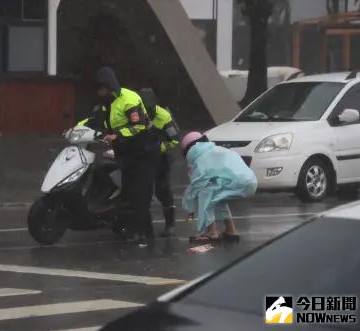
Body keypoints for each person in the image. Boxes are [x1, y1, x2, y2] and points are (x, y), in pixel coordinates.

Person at [94, 67, 159, 248]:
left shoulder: (129, 99)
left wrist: (117, 136)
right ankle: (132, 230)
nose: (100, 93)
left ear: (110, 86)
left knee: (141, 195)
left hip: (143, 152)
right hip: (126, 154)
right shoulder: (107, 104)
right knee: (128, 193)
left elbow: (138, 126)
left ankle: (146, 235)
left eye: (102, 89)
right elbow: (95, 120)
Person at [180, 132, 257, 244]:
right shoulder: (217, 150)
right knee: (217, 194)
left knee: (205, 192)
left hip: (236, 183)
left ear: (190, 149)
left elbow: (197, 185)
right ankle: (231, 230)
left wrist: (189, 206)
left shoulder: (202, 157)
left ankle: (211, 232)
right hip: (250, 182)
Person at [140, 88, 180, 237]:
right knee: (143, 192)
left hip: (160, 158)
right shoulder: (136, 112)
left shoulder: (164, 116)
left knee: (162, 190)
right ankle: (145, 227)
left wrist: (158, 149)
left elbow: (174, 140)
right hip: (143, 158)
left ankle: (170, 224)